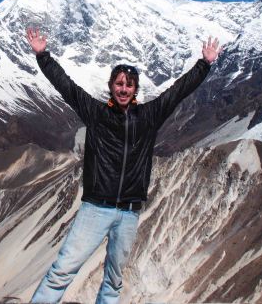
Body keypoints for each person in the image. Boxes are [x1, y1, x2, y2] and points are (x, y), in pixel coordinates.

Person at [26, 27, 221, 304]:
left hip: (129, 212)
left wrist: (204, 64)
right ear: (111, 86)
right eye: (119, 84)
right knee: (62, 271)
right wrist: (42, 55)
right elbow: (66, 86)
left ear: (135, 89)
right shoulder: (97, 113)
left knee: (114, 281)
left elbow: (178, 91)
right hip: (96, 207)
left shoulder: (149, 116)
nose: (123, 89)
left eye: (129, 85)